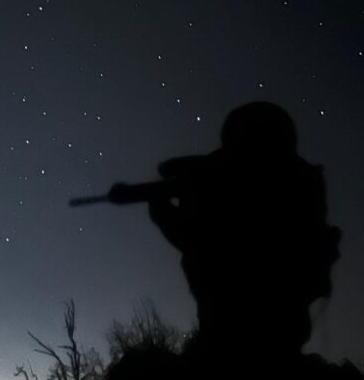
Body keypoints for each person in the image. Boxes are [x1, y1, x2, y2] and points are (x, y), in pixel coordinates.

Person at [112, 102, 341, 359]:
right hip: (269, 339)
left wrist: (166, 208)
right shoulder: (302, 184)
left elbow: (199, 243)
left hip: (233, 342)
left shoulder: (290, 188)